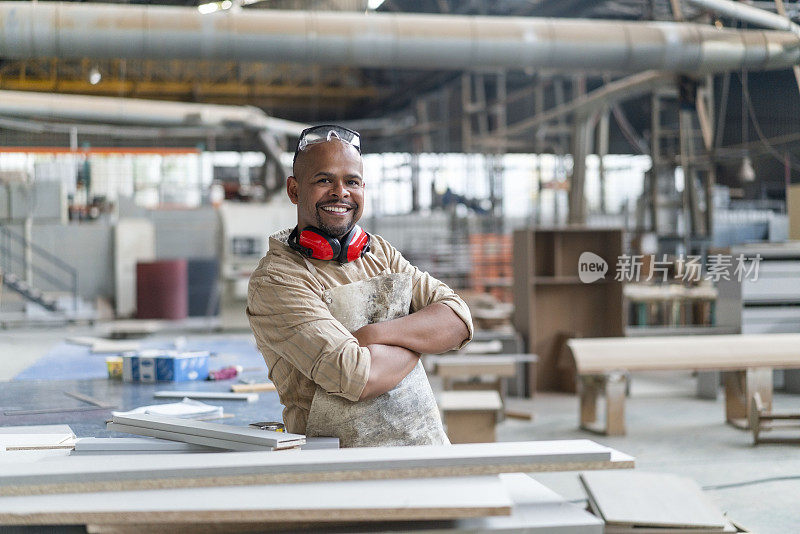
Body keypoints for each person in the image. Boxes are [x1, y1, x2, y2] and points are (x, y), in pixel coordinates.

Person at [247, 125, 472, 447]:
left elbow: (458, 321)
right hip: (340, 465)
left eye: (351, 181)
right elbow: (356, 376)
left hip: (425, 447)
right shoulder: (278, 279)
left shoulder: (380, 253)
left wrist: (372, 336)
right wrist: (421, 338)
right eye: (324, 180)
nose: (341, 192)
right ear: (294, 190)